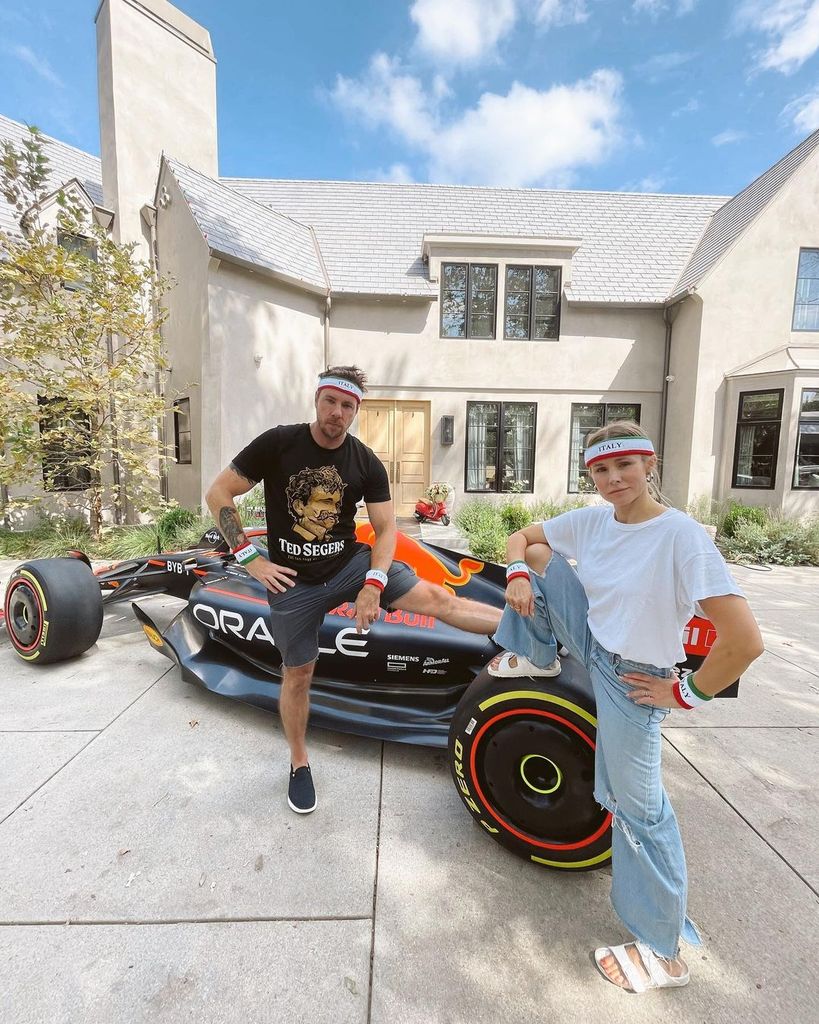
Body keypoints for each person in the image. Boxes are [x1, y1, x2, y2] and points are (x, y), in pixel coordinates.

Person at [488, 420, 763, 994]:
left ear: (650, 465)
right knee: (540, 554)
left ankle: (665, 955)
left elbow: (744, 642)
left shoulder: (681, 537)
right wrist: (516, 570)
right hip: (594, 643)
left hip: (637, 680)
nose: (613, 479)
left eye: (625, 467)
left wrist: (685, 692)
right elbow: (524, 536)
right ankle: (539, 653)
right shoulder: (593, 522)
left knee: (642, 813)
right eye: (601, 470)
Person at [205, 366, 502, 814]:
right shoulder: (278, 442)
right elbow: (220, 493)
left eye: (348, 406)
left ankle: (527, 630)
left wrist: (373, 584)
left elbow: (385, 531)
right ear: (317, 399)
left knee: (440, 600)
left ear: (356, 411)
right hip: (292, 583)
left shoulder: (364, 461)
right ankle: (299, 763)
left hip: (348, 566)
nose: (338, 413)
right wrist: (251, 558)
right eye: (331, 401)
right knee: (298, 674)